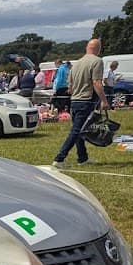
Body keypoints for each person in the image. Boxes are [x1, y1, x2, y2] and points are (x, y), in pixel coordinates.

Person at [53, 38, 108, 168]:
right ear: (98, 49)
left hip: (75, 100)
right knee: (76, 131)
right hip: (86, 100)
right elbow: (97, 82)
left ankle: (82, 157)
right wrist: (104, 100)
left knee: (79, 131)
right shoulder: (97, 61)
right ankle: (60, 158)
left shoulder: (76, 64)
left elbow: (70, 87)